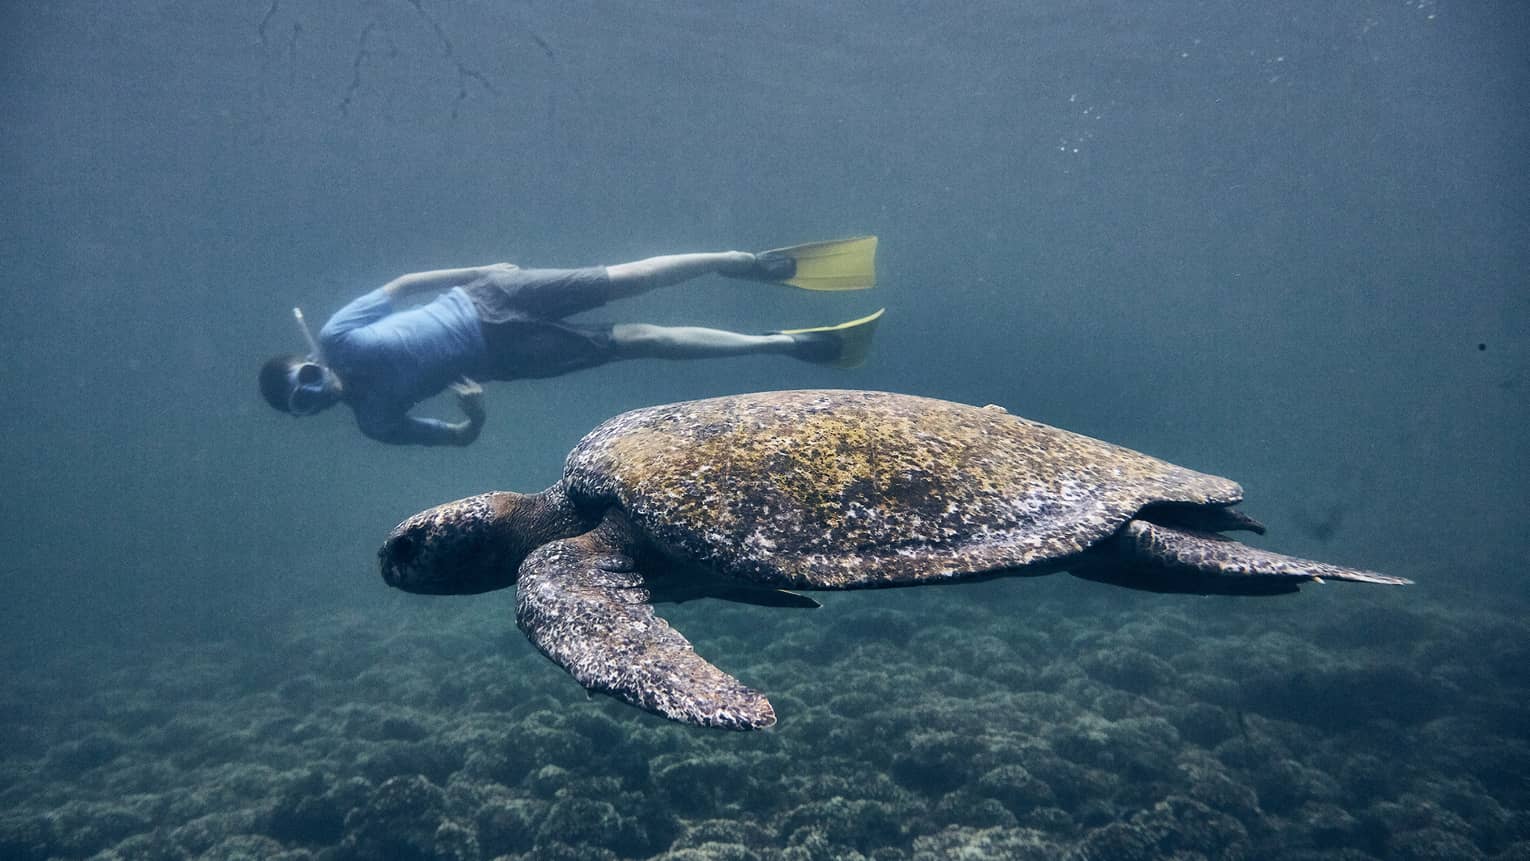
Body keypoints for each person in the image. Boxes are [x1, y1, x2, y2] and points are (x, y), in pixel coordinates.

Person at [258, 238, 882, 446]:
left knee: (629, 278)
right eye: (304, 405)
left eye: (306, 383)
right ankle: (784, 343)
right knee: (644, 340)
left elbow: (402, 285)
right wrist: (472, 415)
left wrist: (481, 269)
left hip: (489, 297)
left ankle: (739, 261)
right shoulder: (374, 420)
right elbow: (459, 440)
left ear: (310, 362)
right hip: (505, 357)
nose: (315, 395)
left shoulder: (338, 333)